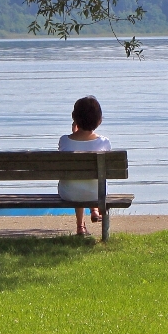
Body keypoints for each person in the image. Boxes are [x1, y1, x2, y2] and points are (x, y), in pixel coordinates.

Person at [58, 96, 111, 235]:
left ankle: (80, 226)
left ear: (74, 118)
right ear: (99, 120)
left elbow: (75, 143)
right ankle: (94, 210)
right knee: (91, 180)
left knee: (76, 181)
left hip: (68, 193)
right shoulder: (104, 143)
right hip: (97, 194)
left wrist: (75, 133)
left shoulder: (64, 141)